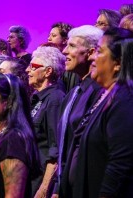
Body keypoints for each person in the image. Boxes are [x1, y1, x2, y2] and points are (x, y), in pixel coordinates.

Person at [69, 28, 133, 198]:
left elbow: (120, 164)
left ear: (118, 63)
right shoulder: (103, 95)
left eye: (99, 51)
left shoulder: (125, 100)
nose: (92, 57)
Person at [54, 25, 103, 197]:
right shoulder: (72, 93)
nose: (65, 51)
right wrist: (56, 187)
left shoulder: (99, 91)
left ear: (90, 53)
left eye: (72, 46)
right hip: (66, 186)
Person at [25, 46, 65, 197]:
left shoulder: (55, 99)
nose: (28, 70)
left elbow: (55, 149)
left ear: (48, 71)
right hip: (29, 177)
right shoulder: (35, 99)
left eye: (33, 66)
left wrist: (44, 188)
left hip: (40, 181)